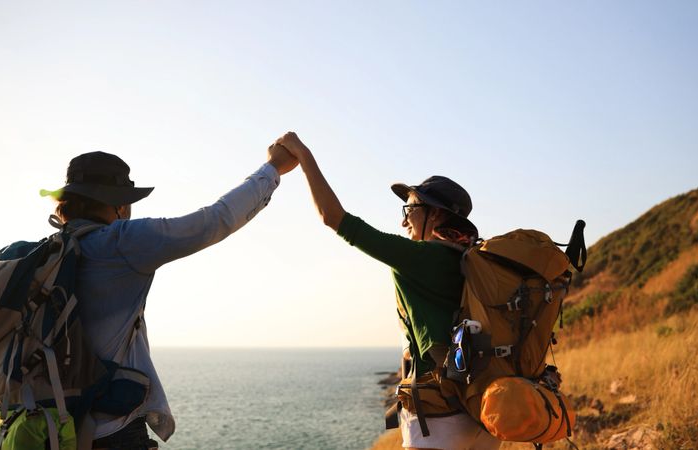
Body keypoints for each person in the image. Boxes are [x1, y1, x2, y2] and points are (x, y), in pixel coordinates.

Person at [39, 146, 298, 449]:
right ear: (120, 205)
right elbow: (215, 220)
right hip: (110, 433)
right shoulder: (121, 242)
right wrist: (273, 168)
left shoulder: (45, 254)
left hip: (47, 429)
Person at [274, 132, 501, 450]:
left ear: (434, 214)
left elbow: (334, 218)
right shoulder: (474, 260)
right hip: (483, 412)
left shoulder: (420, 257)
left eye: (409, 211)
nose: (404, 222)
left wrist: (303, 154)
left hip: (439, 418)